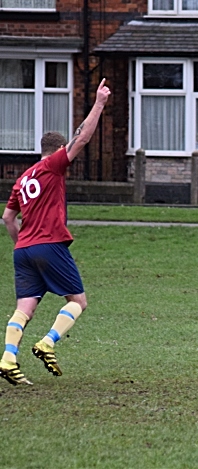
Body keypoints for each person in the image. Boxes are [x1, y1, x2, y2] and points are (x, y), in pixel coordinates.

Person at [0, 78, 111, 386]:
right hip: (50, 246)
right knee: (78, 301)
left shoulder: (22, 179)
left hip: (23, 250)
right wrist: (99, 103)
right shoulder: (53, 166)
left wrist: (22, 242)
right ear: (58, 151)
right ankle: (47, 343)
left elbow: (8, 218)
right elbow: (83, 139)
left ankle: (8, 358)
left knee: (24, 308)